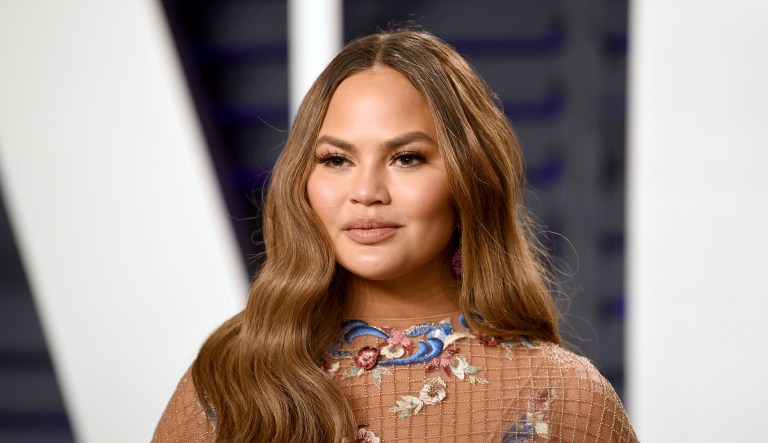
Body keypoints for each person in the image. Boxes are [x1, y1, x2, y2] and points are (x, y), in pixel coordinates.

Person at [152, 29, 638, 442]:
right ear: (304, 180)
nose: (365, 192)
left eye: (407, 158)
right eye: (336, 160)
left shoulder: (563, 396)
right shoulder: (229, 379)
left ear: (470, 178)